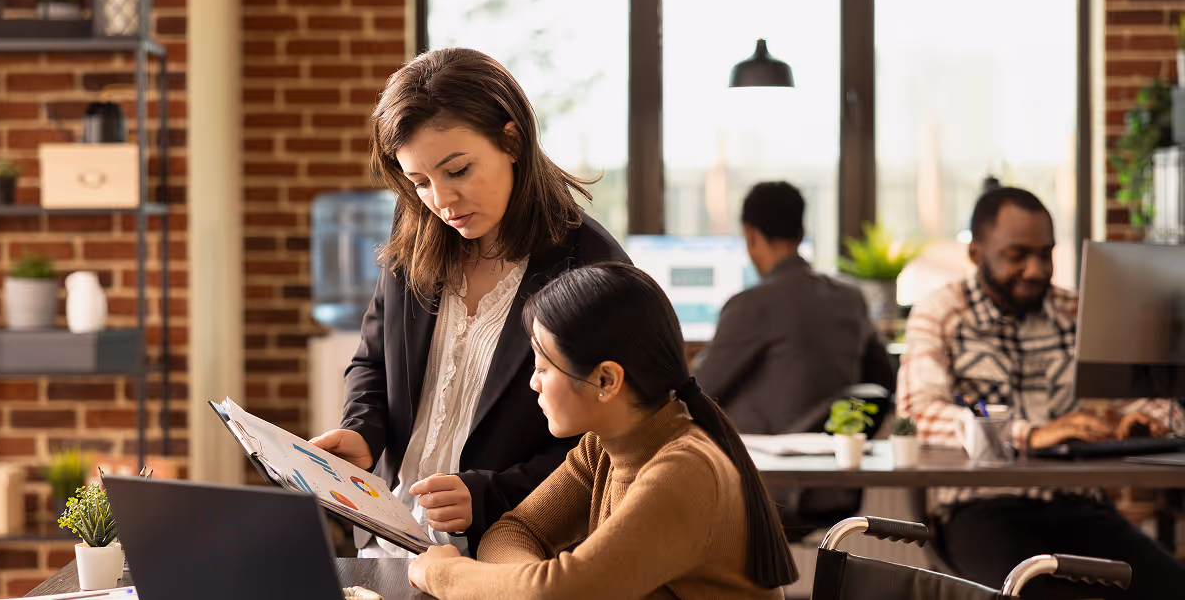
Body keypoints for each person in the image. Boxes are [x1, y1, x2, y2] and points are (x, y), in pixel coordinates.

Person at [310, 48, 630, 557]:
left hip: (510, 557)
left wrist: (490, 494)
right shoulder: (414, 229)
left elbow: (608, 443)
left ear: (512, 139)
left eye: (457, 170)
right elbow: (373, 361)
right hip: (391, 546)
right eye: (419, 183)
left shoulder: (591, 266)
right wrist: (362, 432)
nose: (441, 201)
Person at [408, 262, 797, 599]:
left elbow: (556, 592)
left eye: (543, 366)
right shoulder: (603, 447)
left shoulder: (684, 470)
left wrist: (443, 573)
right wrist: (526, 585)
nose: (534, 382)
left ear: (607, 380)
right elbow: (516, 530)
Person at [897, 186, 1185, 599]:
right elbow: (917, 414)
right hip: (981, 513)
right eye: (1017, 255)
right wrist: (1025, 434)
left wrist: (1148, 422)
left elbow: (1149, 399)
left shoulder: (1077, 312)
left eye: (1045, 254)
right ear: (976, 254)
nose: (1035, 269)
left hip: (1080, 509)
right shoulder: (941, 312)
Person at [693, 181, 896, 434]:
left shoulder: (750, 305)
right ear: (801, 233)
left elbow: (698, 390)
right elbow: (884, 376)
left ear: (750, 235)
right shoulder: (850, 298)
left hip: (762, 461)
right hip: (834, 452)